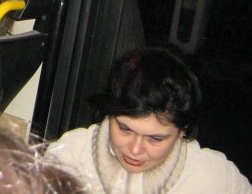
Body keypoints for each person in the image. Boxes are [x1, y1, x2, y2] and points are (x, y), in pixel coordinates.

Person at [44, 45, 252, 193]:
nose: (135, 150)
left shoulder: (215, 180)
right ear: (109, 114)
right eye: (125, 129)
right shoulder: (69, 157)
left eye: (155, 139)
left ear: (182, 132)